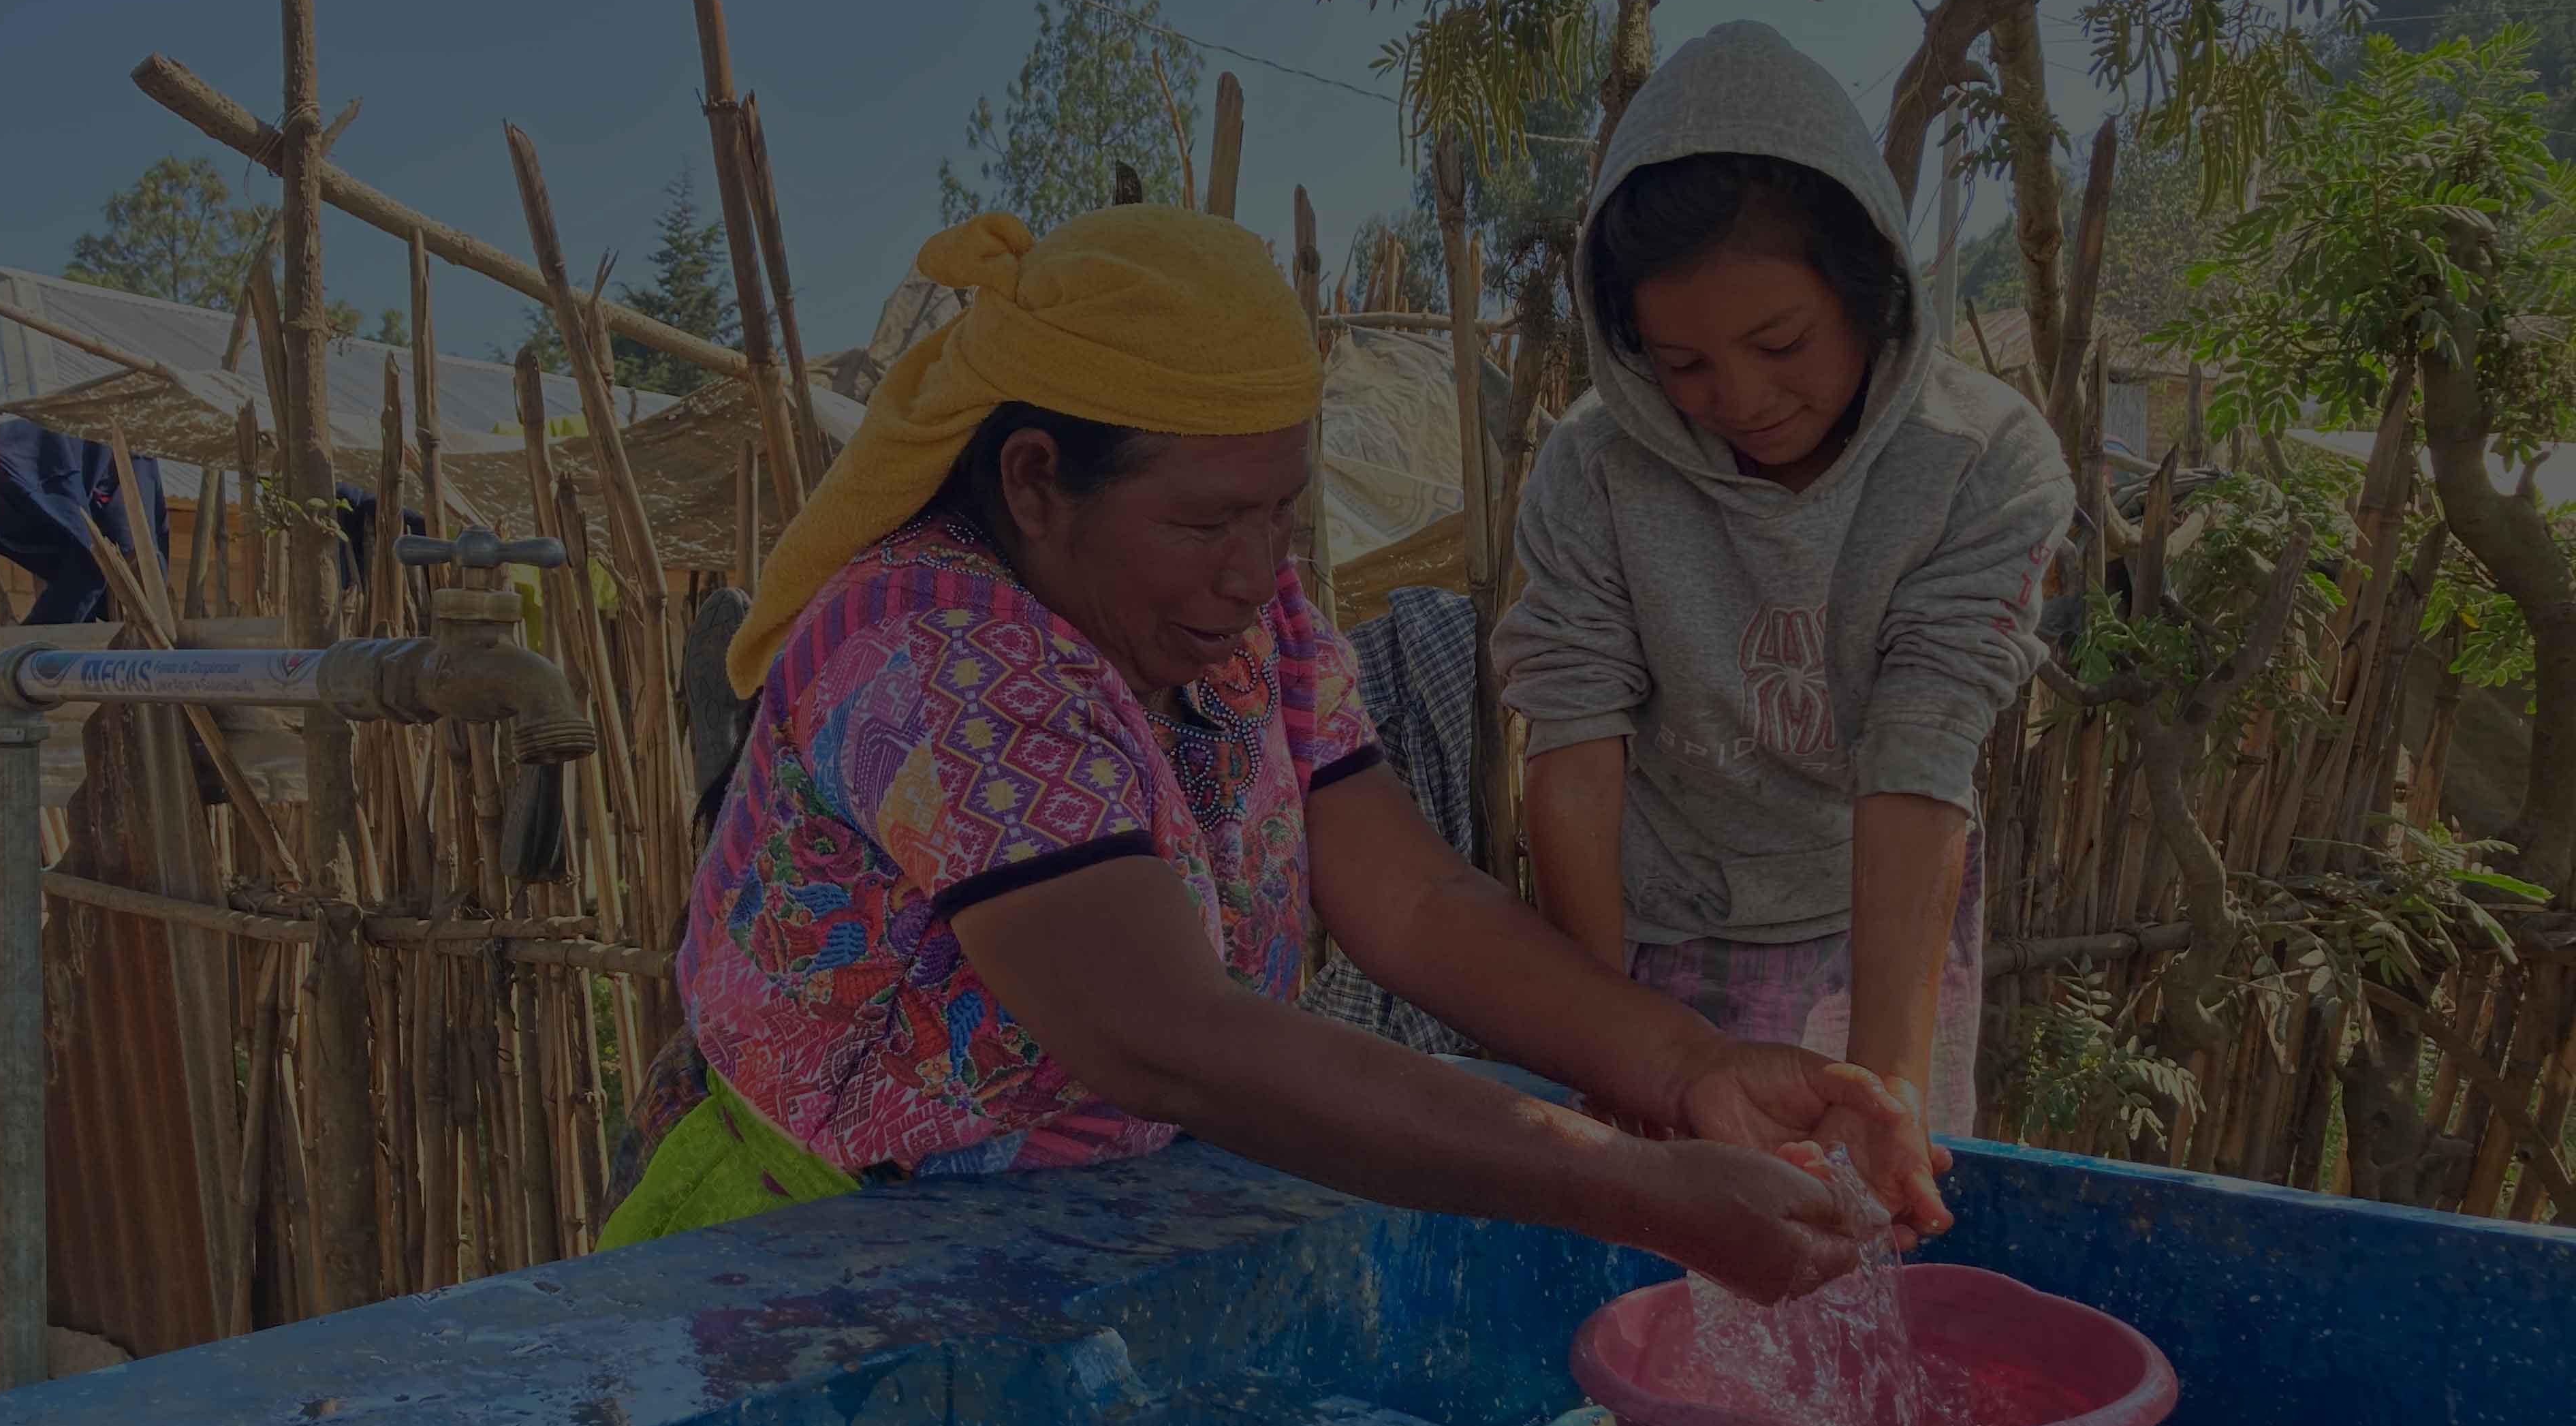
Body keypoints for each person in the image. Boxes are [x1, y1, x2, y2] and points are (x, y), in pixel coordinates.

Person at [600, 202, 1947, 1303]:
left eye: (1280, 513)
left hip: (1063, 1236)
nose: (1255, 572)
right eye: (1204, 524)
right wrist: (1634, 1190)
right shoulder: (932, 653)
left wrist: (1691, 1068)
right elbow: (1171, 1040)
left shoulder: (1246, 626)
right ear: (1034, 482)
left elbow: (1418, 903)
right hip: (805, 1257)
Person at [1498, 22, 2071, 1174]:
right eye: (1685, 365)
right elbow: (1573, 746)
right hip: (1659, 928)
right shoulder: (1594, 469)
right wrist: (1613, 1045)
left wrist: (1886, 1089)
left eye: (1781, 342)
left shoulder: (1982, 462)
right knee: (1657, 1216)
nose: (1743, 397)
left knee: (1862, 1210)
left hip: (1875, 927)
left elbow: (1921, 751)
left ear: (1868, 289)